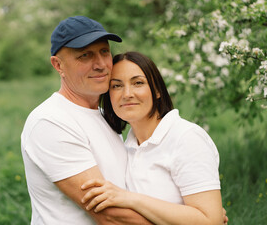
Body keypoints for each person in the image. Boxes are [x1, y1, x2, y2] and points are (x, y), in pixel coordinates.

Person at [21, 16, 153, 224]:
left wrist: (186, 212)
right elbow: (110, 214)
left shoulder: (105, 115)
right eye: (85, 55)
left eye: (104, 51)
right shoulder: (51, 122)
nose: (101, 64)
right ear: (58, 65)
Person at [81, 51, 227, 225]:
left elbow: (210, 221)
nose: (127, 93)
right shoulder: (126, 147)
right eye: (117, 86)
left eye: (138, 83)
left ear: (157, 90)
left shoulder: (185, 138)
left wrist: (130, 199)